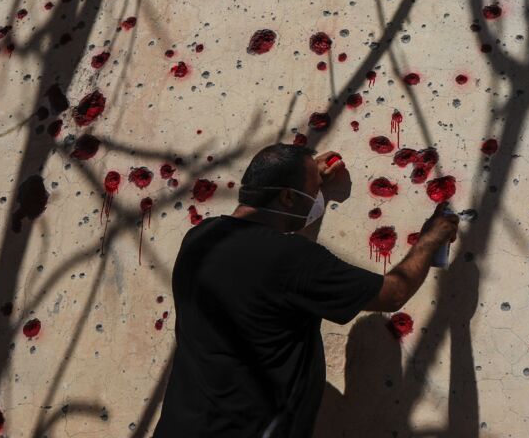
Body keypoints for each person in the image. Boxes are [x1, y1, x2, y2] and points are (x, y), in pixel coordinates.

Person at [152, 143, 459, 438]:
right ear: (287, 197)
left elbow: (286, 267)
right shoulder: (291, 261)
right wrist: (431, 239)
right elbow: (393, 293)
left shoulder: (200, 238)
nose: (314, 199)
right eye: (310, 194)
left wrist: (315, 190)